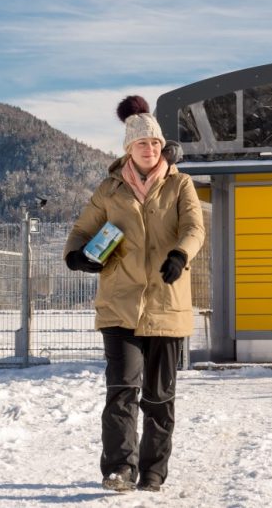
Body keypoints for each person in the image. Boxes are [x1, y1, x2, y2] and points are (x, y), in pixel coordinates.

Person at [64, 95, 205, 493]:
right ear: (129, 148)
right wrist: (76, 256)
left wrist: (180, 254)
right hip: (120, 306)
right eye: (142, 143)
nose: (150, 149)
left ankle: (154, 470)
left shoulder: (180, 184)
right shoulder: (109, 190)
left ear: (162, 146)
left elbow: (195, 228)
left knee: (159, 398)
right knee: (122, 391)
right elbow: (80, 232)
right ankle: (119, 470)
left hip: (166, 305)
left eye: (156, 143)